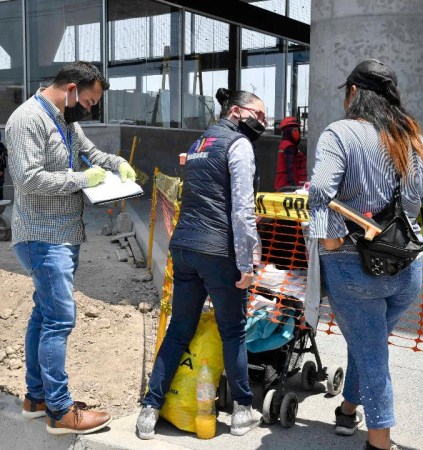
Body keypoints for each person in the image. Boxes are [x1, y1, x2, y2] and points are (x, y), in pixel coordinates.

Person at [308, 59, 423, 450]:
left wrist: (330, 242)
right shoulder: (415, 139)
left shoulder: (340, 133)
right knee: (369, 343)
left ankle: (379, 443)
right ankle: (348, 409)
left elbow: (320, 191)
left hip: (355, 267)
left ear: (354, 92)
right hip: (407, 267)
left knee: (372, 355)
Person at [5, 61, 136, 435]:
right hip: (42, 237)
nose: (90, 109)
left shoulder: (64, 119)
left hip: (61, 234)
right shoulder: (27, 120)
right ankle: (59, 411)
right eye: (90, 101)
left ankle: (36, 399)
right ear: (72, 90)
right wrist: (81, 179)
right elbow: (28, 180)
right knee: (60, 320)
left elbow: (92, 153)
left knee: (44, 315)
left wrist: (117, 164)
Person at [136, 88, 266, 439]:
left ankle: (150, 409)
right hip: (218, 250)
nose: (263, 122)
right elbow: (242, 208)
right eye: (259, 115)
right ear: (237, 112)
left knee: (180, 328)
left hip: (184, 247)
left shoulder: (199, 143)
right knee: (233, 330)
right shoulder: (238, 145)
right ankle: (242, 411)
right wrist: (247, 262)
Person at [274, 116, 306, 191]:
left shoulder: (285, 144)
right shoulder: (289, 147)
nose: (297, 132)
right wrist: (292, 187)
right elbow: (289, 169)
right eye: (294, 130)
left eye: (297, 129)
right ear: (288, 131)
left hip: (284, 185)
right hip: (288, 187)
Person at [0, 130, 7, 200]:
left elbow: (7, 153)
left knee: (1, 183)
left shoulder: (1, 145)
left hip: (1, 167)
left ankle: (1, 199)